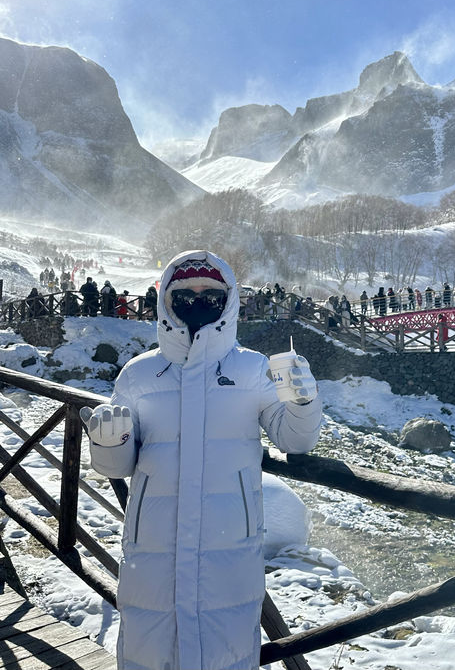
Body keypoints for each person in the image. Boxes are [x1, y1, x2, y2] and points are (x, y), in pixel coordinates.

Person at [81, 250, 322, 670]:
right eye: (185, 293)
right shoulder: (138, 374)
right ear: (166, 300)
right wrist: (107, 445)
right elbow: (117, 467)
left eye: (209, 293)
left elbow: (295, 440)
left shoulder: (253, 369)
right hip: (152, 545)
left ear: (228, 299)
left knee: (226, 650)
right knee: (147, 648)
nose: (197, 299)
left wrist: (303, 402)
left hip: (229, 546)